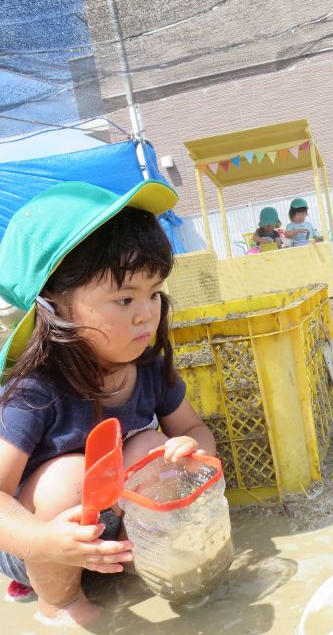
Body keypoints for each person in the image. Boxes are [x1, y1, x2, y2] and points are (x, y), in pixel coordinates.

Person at [0, 180, 217, 626]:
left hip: (114, 528)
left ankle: (142, 564)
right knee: (70, 475)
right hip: (39, 542)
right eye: (124, 298)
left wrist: (193, 453)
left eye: (153, 293)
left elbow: (195, 430)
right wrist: (42, 542)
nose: (146, 313)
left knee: (151, 447)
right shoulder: (35, 392)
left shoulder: (150, 368)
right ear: (54, 306)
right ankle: (58, 604)